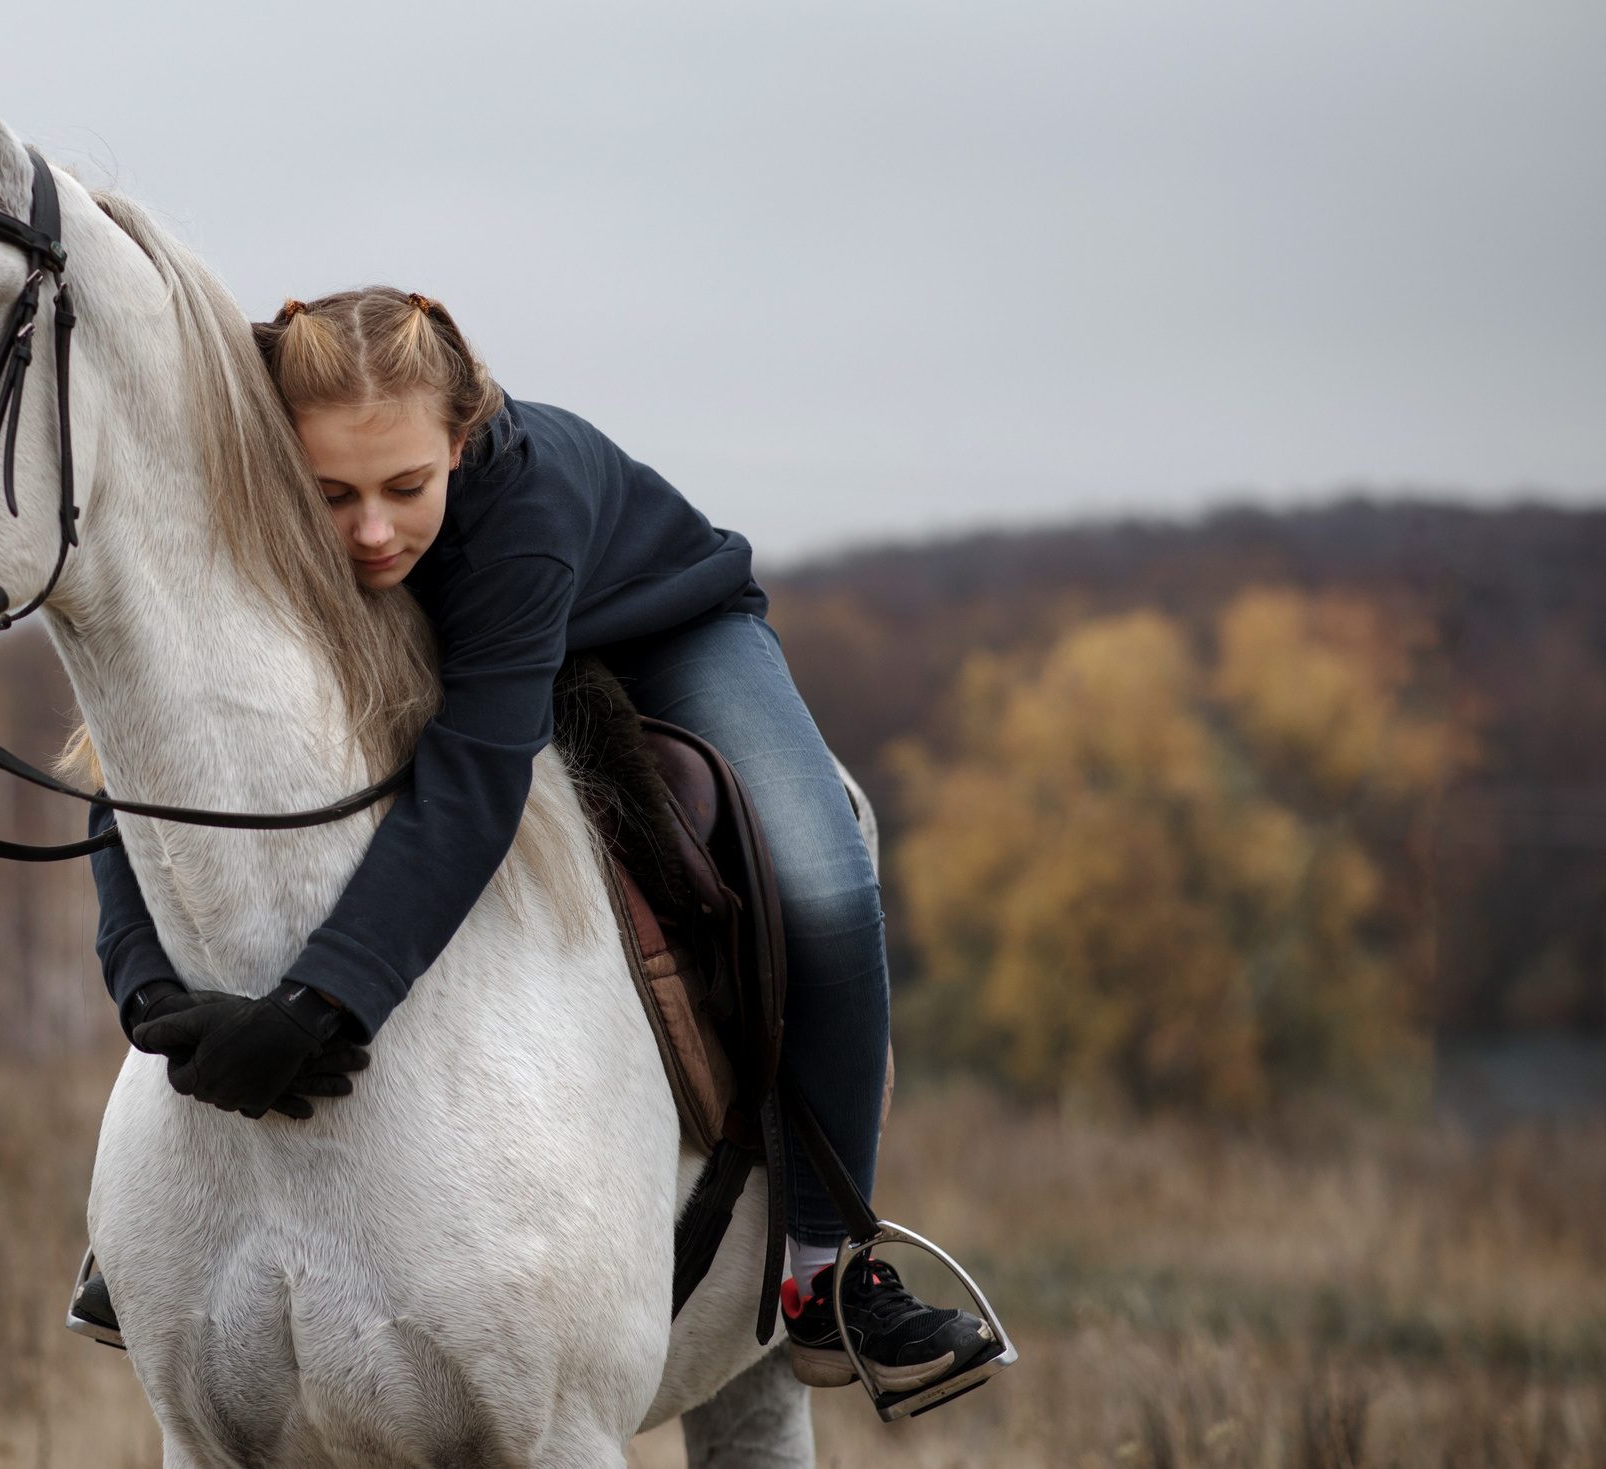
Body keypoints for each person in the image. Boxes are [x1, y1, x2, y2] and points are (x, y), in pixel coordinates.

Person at [80, 287, 999, 1399]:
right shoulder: (260, 495)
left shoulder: (524, 496)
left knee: (823, 881)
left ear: (460, 443)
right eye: (332, 495)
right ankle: (152, 1244)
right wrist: (149, 1002)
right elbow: (150, 764)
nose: (372, 529)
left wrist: (320, 1007)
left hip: (662, 624)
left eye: (406, 487)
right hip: (436, 620)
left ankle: (829, 1269)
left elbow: (474, 781)